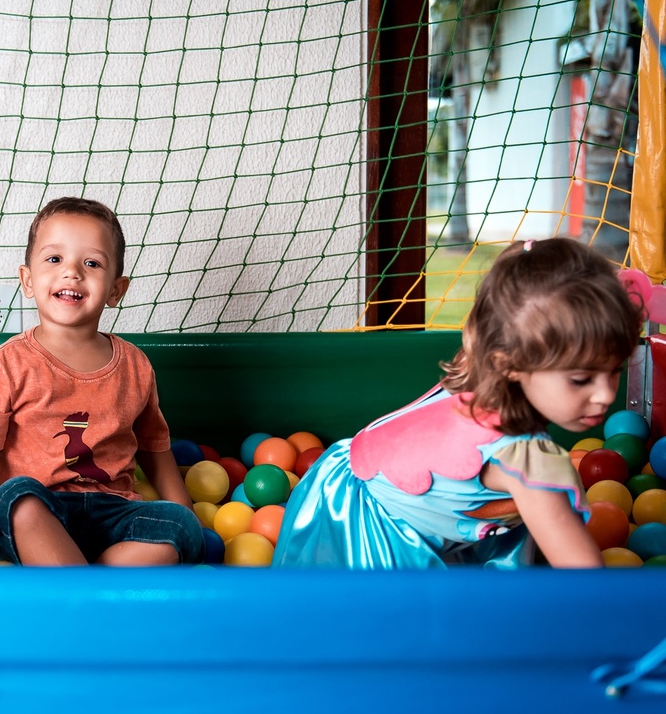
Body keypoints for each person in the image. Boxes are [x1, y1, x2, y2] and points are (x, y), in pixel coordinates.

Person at [274, 237, 643, 569]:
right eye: (581, 379)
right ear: (509, 363)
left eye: (614, 370)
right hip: (361, 522)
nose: (606, 394)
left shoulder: (484, 363)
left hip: (346, 472)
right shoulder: (535, 465)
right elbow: (586, 579)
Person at [0, 197, 203, 566]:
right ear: (28, 280)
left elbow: (154, 446)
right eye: (54, 259)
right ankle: (88, 586)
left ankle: (83, 582)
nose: (72, 273)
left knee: (179, 526)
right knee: (16, 497)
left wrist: (184, 509)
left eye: (92, 263)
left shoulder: (134, 365)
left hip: (114, 513)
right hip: (42, 511)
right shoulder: (7, 364)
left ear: (116, 290)